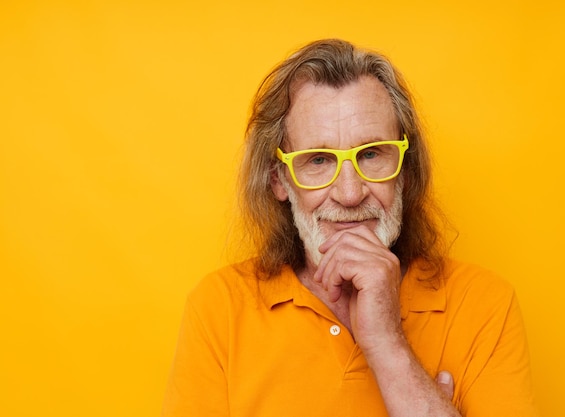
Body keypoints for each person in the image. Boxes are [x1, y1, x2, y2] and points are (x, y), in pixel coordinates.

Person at [161, 39, 537, 417]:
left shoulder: (484, 303)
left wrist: (388, 346)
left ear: (404, 171)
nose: (350, 193)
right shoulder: (220, 309)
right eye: (319, 160)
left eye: (371, 154)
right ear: (280, 180)